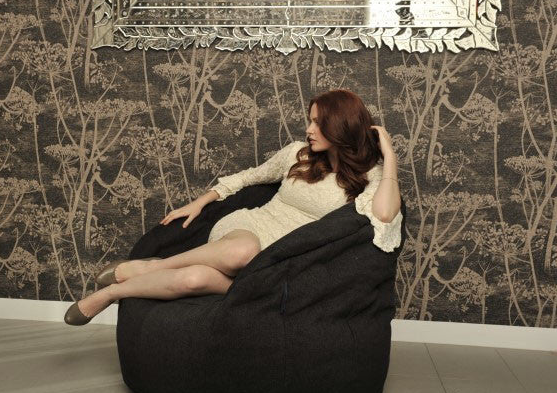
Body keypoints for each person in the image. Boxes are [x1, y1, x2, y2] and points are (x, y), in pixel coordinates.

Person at [64, 88, 402, 325]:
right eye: (310, 120)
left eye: (318, 123)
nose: (308, 129)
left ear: (340, 126)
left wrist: (389, 158)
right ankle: (142, 272)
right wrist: (200, 201)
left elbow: (385, 214)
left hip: (278, 267)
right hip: (249, 231)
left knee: (193, 279)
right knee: (241, 251)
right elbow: (248, 177)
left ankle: (114, 292)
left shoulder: (371, 177)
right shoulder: (296, 154)